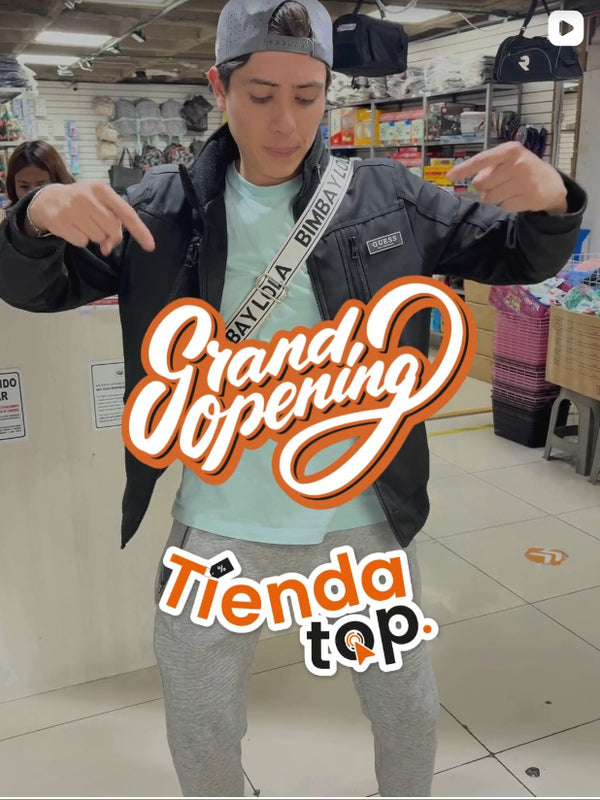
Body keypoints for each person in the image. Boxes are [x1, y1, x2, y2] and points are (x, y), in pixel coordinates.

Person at [0, 0, 587, 796]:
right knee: (200, 718)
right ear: (220, 88)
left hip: (361, 519)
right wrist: (31, 217)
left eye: (307, 96)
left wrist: (553, 202)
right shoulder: (161, 208)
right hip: (218, 520)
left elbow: (514, 255)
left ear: (328, 92)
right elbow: (38, 289)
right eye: (261, 94)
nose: (286, 121)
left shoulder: (388, 195)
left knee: (405, 706)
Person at [4, 140, 74, 206]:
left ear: (58, 181)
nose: (33, 196)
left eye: (41, 186)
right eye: (24, 186)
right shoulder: (9, 214)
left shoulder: (75, 211)